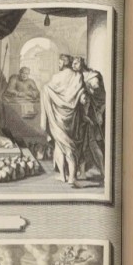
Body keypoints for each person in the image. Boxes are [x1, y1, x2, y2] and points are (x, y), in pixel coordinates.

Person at [40, 54, 89, 184]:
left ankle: (63, 176)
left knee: (60, 146)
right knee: (70, 147)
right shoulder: (77, 76)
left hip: (57, 118)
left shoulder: (56, 77)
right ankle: (72, 177)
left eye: (59, 62)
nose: (58, 64)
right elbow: (81, 92)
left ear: (63, 63)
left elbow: (46, 89)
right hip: (72, 118)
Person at [72, 57, 105, 177]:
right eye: (72, 64)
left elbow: (101, 97)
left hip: (91, 115)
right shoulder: (77, 77)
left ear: (82, 63)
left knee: (92, 144)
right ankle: (82, 172)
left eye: (75, 63)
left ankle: (103, 171)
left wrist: (99, 113)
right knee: (82, 145)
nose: (73, 66)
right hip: (81, 115)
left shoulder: (92, 76)